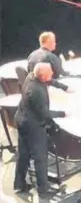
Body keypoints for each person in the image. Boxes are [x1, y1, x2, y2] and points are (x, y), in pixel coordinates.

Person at [14, 63, 71, 194]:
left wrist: (64, 87)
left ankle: (19, 183)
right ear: (43, 76)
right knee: (40, 157)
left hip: (21, 119)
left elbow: (48, 79)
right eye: (50, 72)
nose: (52, 73)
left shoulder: (31, 76)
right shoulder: (37, 91)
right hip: (32, 125)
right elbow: (45, 114)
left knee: (23, 154)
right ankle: (43, 189)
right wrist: (63, 114)